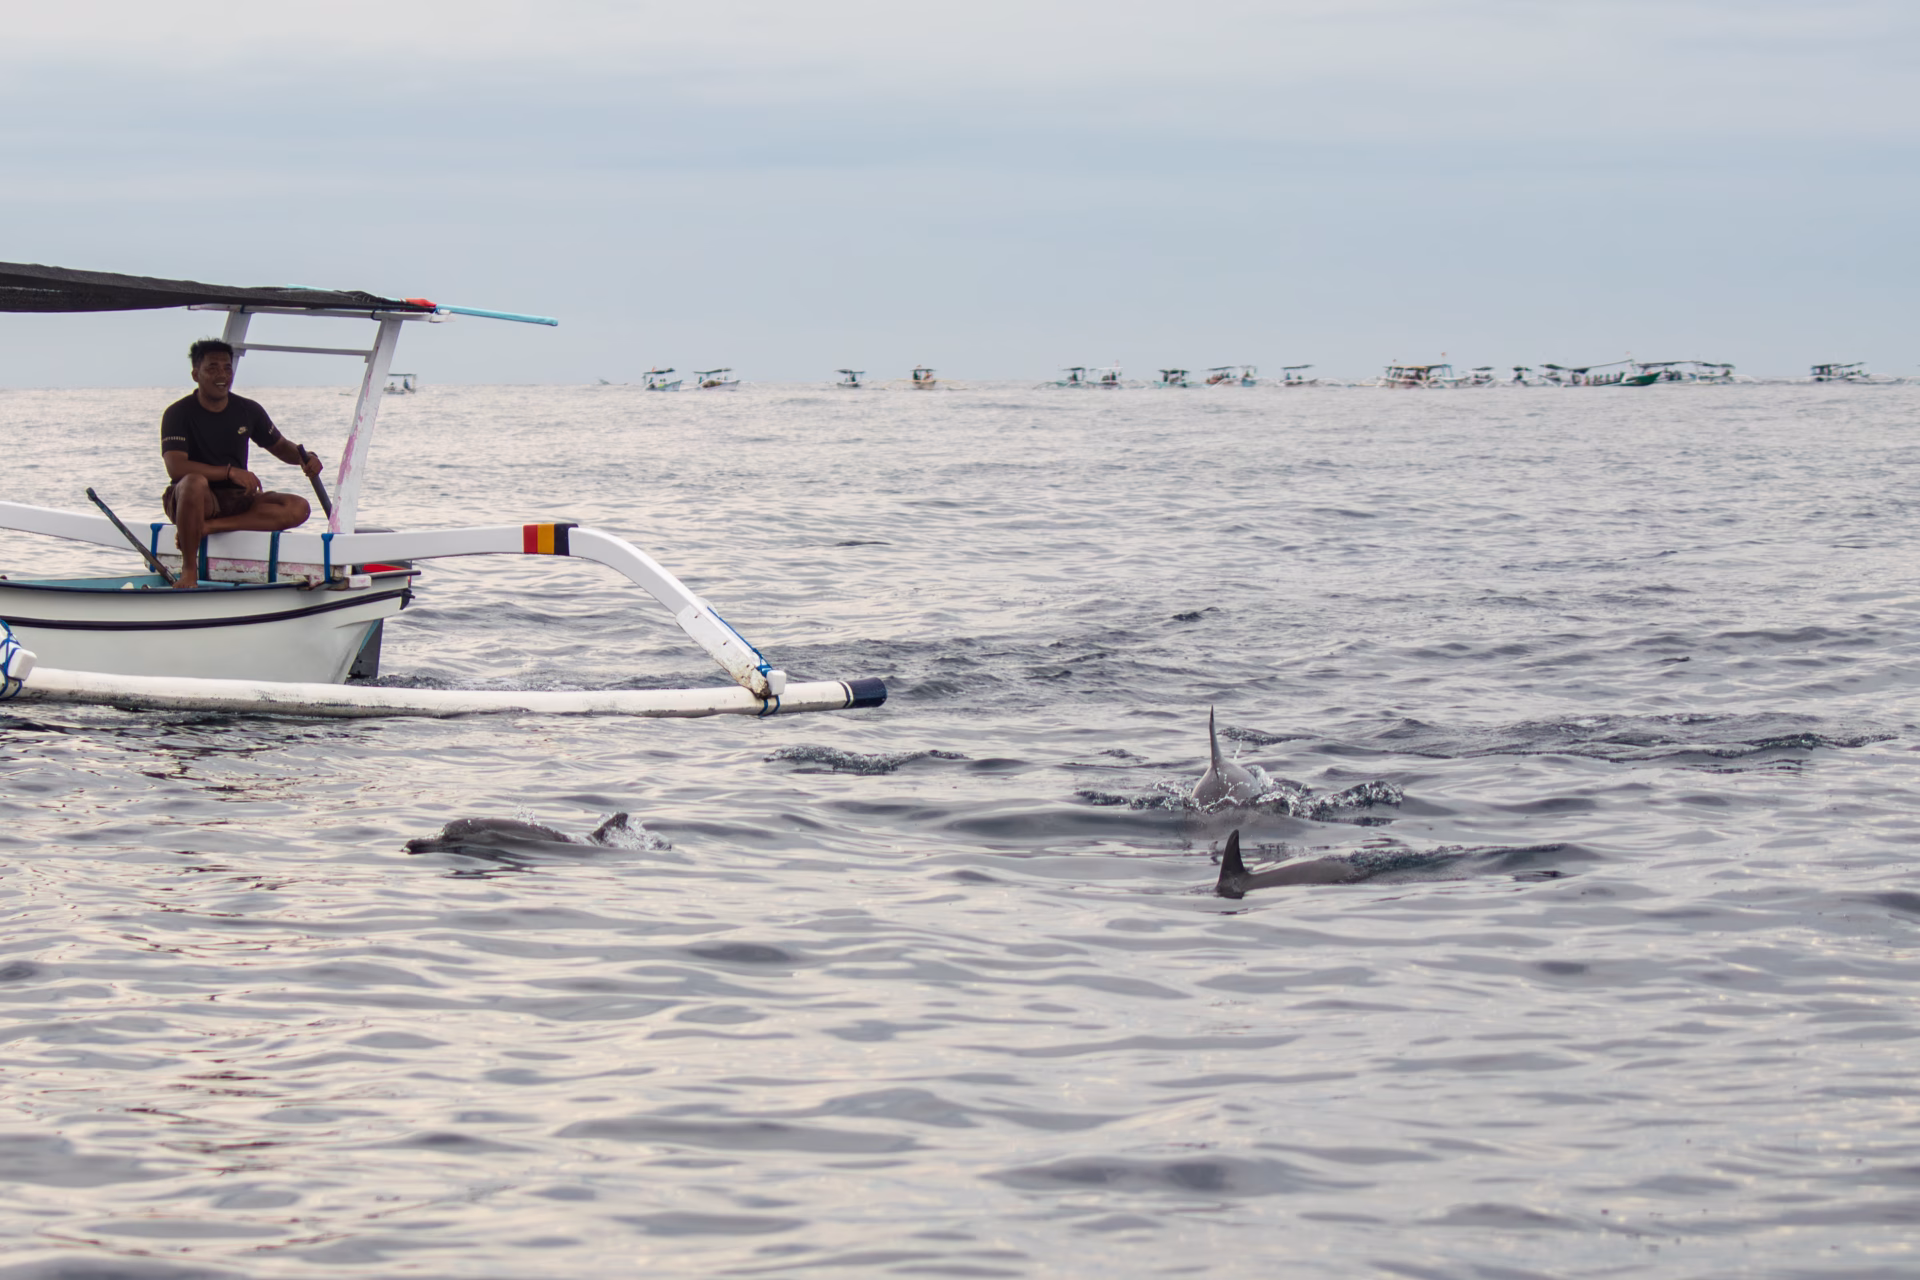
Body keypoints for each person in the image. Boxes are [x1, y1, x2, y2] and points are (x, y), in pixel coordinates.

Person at [160, 338, 325, 589]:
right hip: (193, 500)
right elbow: (176, 467)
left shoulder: (248, 410)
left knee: (298, 507)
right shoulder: (178, 413)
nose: (222, 375)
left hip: (235, 500)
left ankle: (209, 527)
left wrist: (306, 458)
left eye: (227, 368)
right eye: (212, 368)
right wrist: (230, 472)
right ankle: (189, 572)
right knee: (194, 482)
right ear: (196, 374)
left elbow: (280, 446)